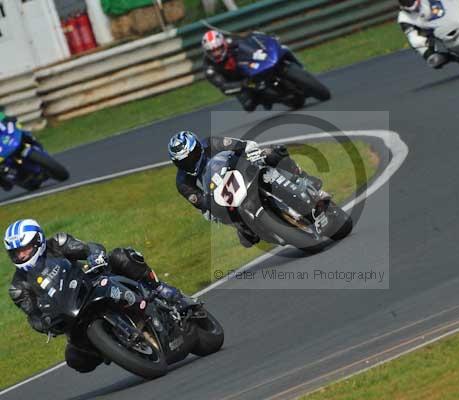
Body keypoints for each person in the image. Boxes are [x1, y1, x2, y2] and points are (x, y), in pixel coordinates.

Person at [5, 219, 193, 373]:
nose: (21, 255)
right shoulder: (18, 287)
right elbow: (33, 316)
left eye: (25, 249)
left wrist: (95, 256)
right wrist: (45, 323)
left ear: (38, 241)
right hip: (71, 315)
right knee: (75, 359)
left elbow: (90, 249)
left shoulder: (58, 244)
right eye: (16, 253)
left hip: (91, 284)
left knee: (121, 256)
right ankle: (110, 349)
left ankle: (161, 289)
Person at [168, 131, 322, 248]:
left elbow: (240, 145)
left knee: (274, 153)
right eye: (183, 162)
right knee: (237, 230)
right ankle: (246, 227)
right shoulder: (182, 182)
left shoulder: (210, 143)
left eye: (192, 156)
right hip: (223, 192)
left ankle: (302, 177)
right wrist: (210, 208)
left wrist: (251, 151)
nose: (190, 162)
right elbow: (201, 203)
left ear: (198, 147)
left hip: (240, 168)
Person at [200, 29, 279, 111]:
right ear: (207, 52)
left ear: (224, 44)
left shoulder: (231, 42)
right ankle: (265, 100)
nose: (217, 53)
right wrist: (243, 84)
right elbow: (223, 86)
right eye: (212, 51)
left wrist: (259, 52)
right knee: (248, 105)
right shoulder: (209, 68)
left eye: (218, 49)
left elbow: (248, 42)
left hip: (249, 65)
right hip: (238, 81)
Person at [397, 0, 459, 69]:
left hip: (453, 15)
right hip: (438, 33)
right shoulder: (404, 18)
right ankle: (453, 57)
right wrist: (427, 53)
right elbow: (414, 38)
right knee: (434, 61)